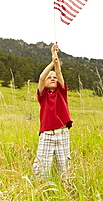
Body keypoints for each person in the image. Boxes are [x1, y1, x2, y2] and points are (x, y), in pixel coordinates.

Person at [33, 43, 73, 179]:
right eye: (50, 78)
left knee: (65, 167)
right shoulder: (42, 95)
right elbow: (41, 78)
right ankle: (40, 188)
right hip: (46, 135)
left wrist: (57, 63)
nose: (52, 79)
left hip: (62, 134)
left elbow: (59, 73)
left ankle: (67, 189)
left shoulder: (62, 92)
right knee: (41, 167)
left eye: (54, 78)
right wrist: (51, 62)